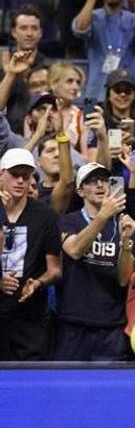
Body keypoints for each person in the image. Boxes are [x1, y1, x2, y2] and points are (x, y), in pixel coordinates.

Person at [55, 162, 135, 360]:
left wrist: (126, 242)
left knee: (111, 389)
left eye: (104, 180)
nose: (100, 185)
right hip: (74, 321)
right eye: (92, 181)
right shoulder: (68, 221)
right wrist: (102, 216)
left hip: (112, 324)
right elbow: (74, 250)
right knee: (67, 387)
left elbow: (124, 279)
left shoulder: (125, 223)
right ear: (80, 191)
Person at [0, 148, 61, 360]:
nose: (20, 181)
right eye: (15, 174)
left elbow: (55, 270)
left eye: (25, 176)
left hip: (31, 317)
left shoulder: (46, 216)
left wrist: (38, 283)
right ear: (1, 174)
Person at [72, 0, 135, 100]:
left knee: (133, 119)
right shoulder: (92, 16)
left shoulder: (132, 18)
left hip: (129, 92)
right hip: (94, 92)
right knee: (88, 117)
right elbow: (79, 29)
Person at [0, 5, 49, 134]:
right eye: (23, 28)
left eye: (34, 28)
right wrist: (9, 74)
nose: (29, 33)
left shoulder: (48, 67)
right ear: (13, 32)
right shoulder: (2, 63)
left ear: (41, 33)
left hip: (40, 133)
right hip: (5, 133)